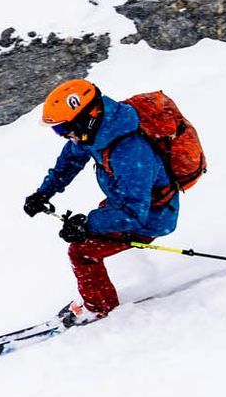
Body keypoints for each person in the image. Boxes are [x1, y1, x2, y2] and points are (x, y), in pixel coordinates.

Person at [21, 78, 179, 324]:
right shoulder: (96, 133)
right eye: (58, 130)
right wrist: (44, 192)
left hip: (152, 217)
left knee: (82, 252)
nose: (64, 136)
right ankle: (100, 297)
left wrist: (87, 225)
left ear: (89, 117)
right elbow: (70, 161)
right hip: (124, 204)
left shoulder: (130, 150)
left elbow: (134, 213)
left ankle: (98, 309)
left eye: (63, 129)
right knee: (86, 238)